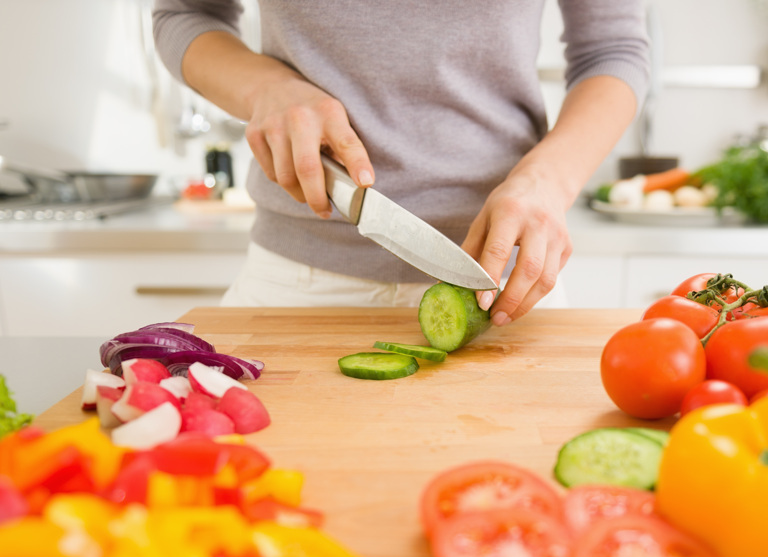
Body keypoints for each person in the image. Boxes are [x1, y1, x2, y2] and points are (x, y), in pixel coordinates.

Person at [153, 1, 649, 325]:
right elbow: (185, 14)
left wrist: (548, 180)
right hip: (294, 285)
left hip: (503, 287)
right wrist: (266, 88)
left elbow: (614, 49)